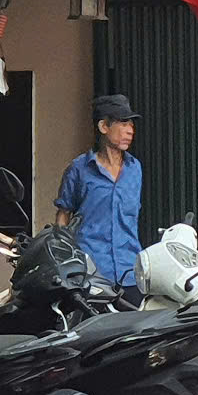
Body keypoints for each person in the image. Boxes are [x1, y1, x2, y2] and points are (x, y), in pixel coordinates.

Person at [55, 94, 144, 305]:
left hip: (130, 271)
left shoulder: (135, 169)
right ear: (104, 126)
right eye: (123, 123)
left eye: (131, 124)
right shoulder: (79, 169)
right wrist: (64, 257)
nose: (130, 130)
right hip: (91, 272)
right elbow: (63, 216)